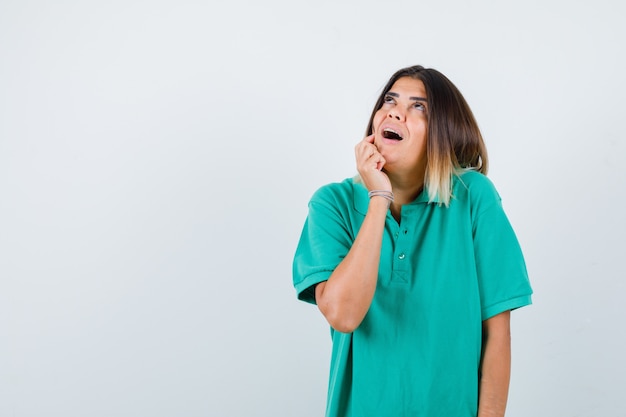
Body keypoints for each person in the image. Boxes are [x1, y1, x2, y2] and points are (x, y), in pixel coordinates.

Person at [292, 65, 533, 417]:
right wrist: (378, 199)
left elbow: (497, 333)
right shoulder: (332, 204)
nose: (395, 111)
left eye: (418, 106)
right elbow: (343, 315)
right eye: (389, 100)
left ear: (444, 132)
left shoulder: (474, 198)